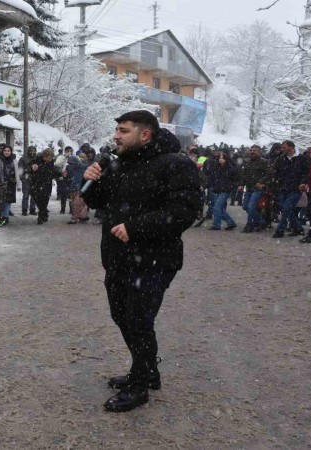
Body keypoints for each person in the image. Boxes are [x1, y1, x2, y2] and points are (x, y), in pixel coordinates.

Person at [82, 110, 201, 412]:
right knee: (121, 317)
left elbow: (183, 212)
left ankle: (139, 386)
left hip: (153, 260)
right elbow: (99, 202)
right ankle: (148, 371)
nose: (116, 136)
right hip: (118, 259)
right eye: (117, 130)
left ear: (144, 134)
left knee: (138, 321)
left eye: (123, 131)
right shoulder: (119, 163)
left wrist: (135, 228)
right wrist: (92, 180)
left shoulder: (176, 165)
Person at [272, 140, 309, 238]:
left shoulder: (302, 159)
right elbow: (276, 172)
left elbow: (306, 172)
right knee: (287, 210)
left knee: (286, 208)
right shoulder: (280, 159)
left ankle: (280, 229)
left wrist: (303, 182)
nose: (282, 149)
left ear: (291, 147)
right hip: (283, 187)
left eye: (284, 147)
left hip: (295, 188)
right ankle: (298, 228)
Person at [240, 145, 270, 232]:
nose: (252, 152)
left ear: (259, 151)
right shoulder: (248, 162)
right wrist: (241, 184)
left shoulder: (264, 162)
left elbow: (268, 174)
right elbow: (244, 174)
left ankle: (250, 225)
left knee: (251, 206)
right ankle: (261, 221)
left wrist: (261, 182)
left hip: (258, 189)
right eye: (251, 150)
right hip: (249, 187)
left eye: (255, 150)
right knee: (245, 206)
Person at [208, 151, 239, 231]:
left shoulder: (230, 169)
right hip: (217, 189)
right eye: (219, 158)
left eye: (223, 158)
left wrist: (230, 186)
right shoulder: (216, 168)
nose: (221, 160)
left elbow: (235, 179)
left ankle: (216, 225)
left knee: (217, 207)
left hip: (225, 190)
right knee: (219, 208)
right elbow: (212, 178)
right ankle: (231, 223)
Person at [30, 148, 62, 225]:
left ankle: (41, 216)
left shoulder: (50, 163)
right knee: (38, 201)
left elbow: (53, 172)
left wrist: (60, 174)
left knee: (44, 201)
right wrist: (32, 168)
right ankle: (43, 214)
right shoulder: (36, 161)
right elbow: (29, 169)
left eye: (51, 158)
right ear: (45, 156)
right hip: (37, 184)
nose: (50, 159)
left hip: (47, 185)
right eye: (49, 158)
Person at [0, 144, 19, 227]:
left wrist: (16, 181)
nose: (7, 152)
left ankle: (5, 217)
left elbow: (17, 173)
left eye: (8, 151)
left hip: (10, 184)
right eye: (5, 151)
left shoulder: (14, 160)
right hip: (0, 184)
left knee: (8, 201)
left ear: (11, 152)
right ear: (2, 151)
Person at [66, 152, 90, 224]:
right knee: (77, 203)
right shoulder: (70, 168)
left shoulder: (84, 167)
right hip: (74, 187)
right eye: (70, 164)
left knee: (77, 203)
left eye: (72, 164)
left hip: (81, 188)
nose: (71, 165)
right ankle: (83, 216)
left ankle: (75, 218)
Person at [18, 146, 37, 216]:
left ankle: (32, 209)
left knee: (34, 195)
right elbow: (20, 169)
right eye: (31, 151)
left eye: (34, 151)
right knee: (26, 195)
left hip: (35, 179)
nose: (32, 152)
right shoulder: (23, 159)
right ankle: (24, 210)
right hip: (26, 179)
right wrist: (22, 177)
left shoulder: (36, 159)